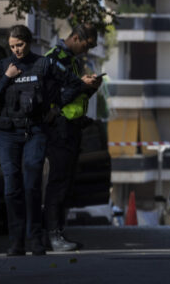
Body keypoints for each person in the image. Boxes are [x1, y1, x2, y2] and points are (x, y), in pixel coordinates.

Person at [0, 25, 84, 257]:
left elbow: (74, 83)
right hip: (9, 134)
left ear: (29, 42)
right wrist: (6, 78)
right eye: (12, 46)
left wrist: (56, 108)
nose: (16, 50)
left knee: (31, 186)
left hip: (35, 131)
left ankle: (35, 239)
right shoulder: (2, 66)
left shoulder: (44, 64)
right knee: (12, 189)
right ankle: (16, 242)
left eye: (19, 45)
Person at [43, 23, 102, 251]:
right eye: (87, 45)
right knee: (57, 183)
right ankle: (52, 235)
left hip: (72, 128)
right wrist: (80, 84)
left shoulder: (72, 61)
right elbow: (57, 97)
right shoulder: (54, 58)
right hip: (59, 128)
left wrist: (91, 87)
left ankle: (59, 232)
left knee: (66, 184)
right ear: (76, 37)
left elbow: (74, 94)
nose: (87, 51)